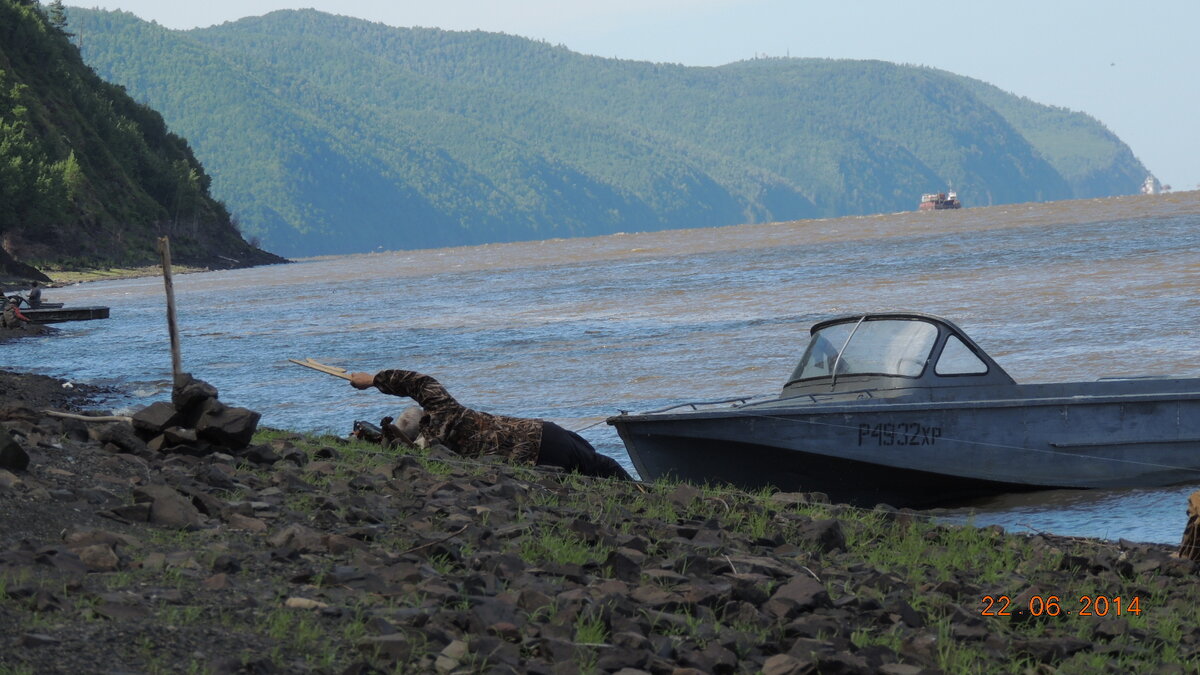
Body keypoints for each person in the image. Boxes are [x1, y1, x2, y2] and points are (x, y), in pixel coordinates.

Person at [349, 369, 631, 480]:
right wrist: (374, 380)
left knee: (592, 474)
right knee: (599, 465)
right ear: (422, 414)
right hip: (545, 434)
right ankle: (646, 490)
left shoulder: (429, 450)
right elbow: (419, 383)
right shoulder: (445, 411)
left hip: (538, 450)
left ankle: (642, 491)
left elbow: (396, 448)